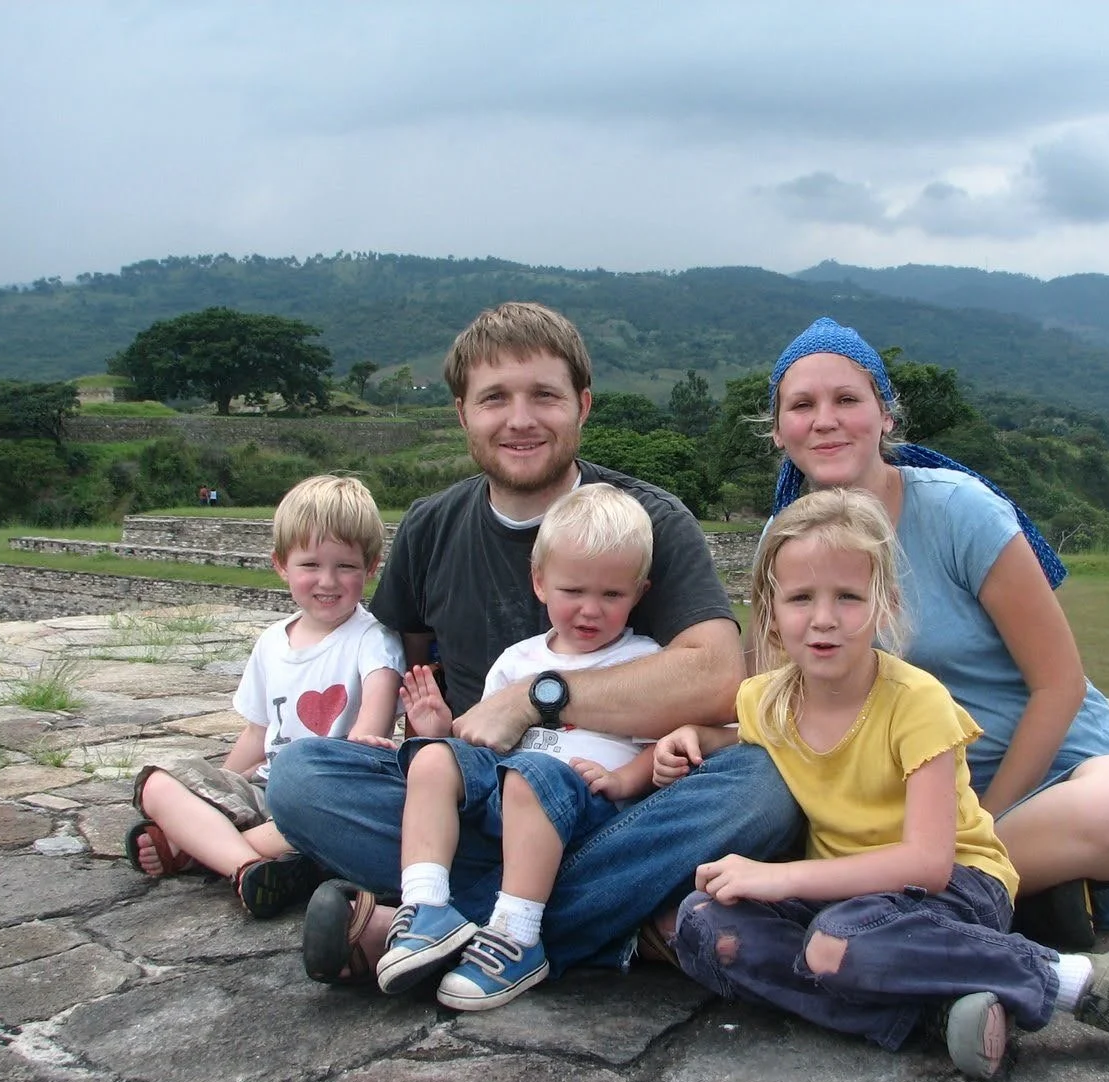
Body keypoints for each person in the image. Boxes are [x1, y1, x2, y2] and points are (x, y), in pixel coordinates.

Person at [267, 301, 801, 985]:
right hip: (480, 805)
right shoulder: (431, 528)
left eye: (544, 395)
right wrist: (419, 733)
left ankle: (443, 920)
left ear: (582, 405)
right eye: (494, 398)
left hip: (615, 808)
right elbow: (411, 671)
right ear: (462, 413)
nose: (520, 420)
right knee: (301, 779)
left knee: (763, 787)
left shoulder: (649, 521)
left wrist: (532, 698)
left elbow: (717, 678)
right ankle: (613, 924)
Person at [667, 488, 1109, 1080]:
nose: (824, 618)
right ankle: (939, 1013)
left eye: (848, 597)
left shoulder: (917, 703)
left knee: (842, 944)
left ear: (885, 604)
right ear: (769, 610)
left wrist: (779, 877)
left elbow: (927, 864)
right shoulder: (766, 699)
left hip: (955, 888)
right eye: (801, 598)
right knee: (703, 924)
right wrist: (689, 738)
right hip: (846, 896)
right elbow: (743, 737)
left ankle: (1080, 981)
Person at [762, 317, 1109, 948]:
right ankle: (987, 898)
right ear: (778, 430)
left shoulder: (959, 510)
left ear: (885, 415)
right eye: (803, 405)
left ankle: (924, 886)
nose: (825, 420)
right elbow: (778, 697)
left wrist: (981, 826)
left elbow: (1059, 684)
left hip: (1039, 790)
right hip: (904, 805)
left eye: (847, 399)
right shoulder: (786, 541)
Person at [379, 484, 665, 1009]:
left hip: (586, 810)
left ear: (640, 592)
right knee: (433, 759)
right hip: (506, 802)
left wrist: (625, 779)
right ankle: (426, 906)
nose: (590, 610)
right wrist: (441, 733)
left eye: (612, 596)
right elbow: (487, 746)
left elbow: (660, 744)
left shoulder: (645, 661)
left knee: (533, 774)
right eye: (572, 590)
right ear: (539, 582)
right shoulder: (517, 660)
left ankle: (517, 933)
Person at [125, 474, 404, 918]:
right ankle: (248, 867)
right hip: (264, 787)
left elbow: (370, 728)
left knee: (309, 825)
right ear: (281, 565)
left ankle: (199, 850)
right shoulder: (273, 642)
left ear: (370, 567)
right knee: (157, 782)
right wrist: (214, 794)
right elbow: (257, 734)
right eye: (310, 565)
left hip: (320, 797)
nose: (327, 581)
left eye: (345, 567)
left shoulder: (374, 641)